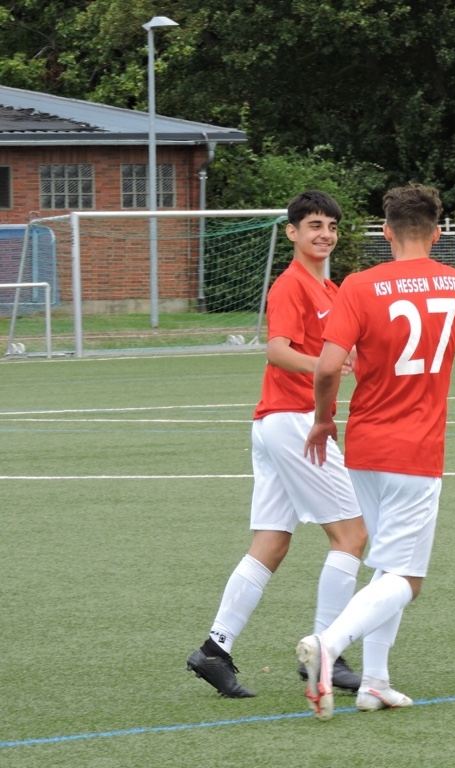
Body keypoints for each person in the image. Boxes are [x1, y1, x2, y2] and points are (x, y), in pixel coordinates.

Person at [297, 183, 455, 721]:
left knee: (388, 568)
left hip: (365, 443)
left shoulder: (357, 285)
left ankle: (375, 682)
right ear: (437, 234)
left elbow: (328, 366)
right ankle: (328, 645)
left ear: (385, 232)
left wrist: (323, 419)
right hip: (417, 448)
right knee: (406, 579)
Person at [186, 190, 367, 698]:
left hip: (277, 424)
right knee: (351, 536)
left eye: (332, 226)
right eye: (315, 225)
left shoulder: (331, 290)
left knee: (272, 543)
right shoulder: (291, 285)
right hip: (293, 423)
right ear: (292, 232)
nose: (325, 234)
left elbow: (346, 352)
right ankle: (325, 653)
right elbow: (277, 351)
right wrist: (325, 366)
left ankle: (214, 650)